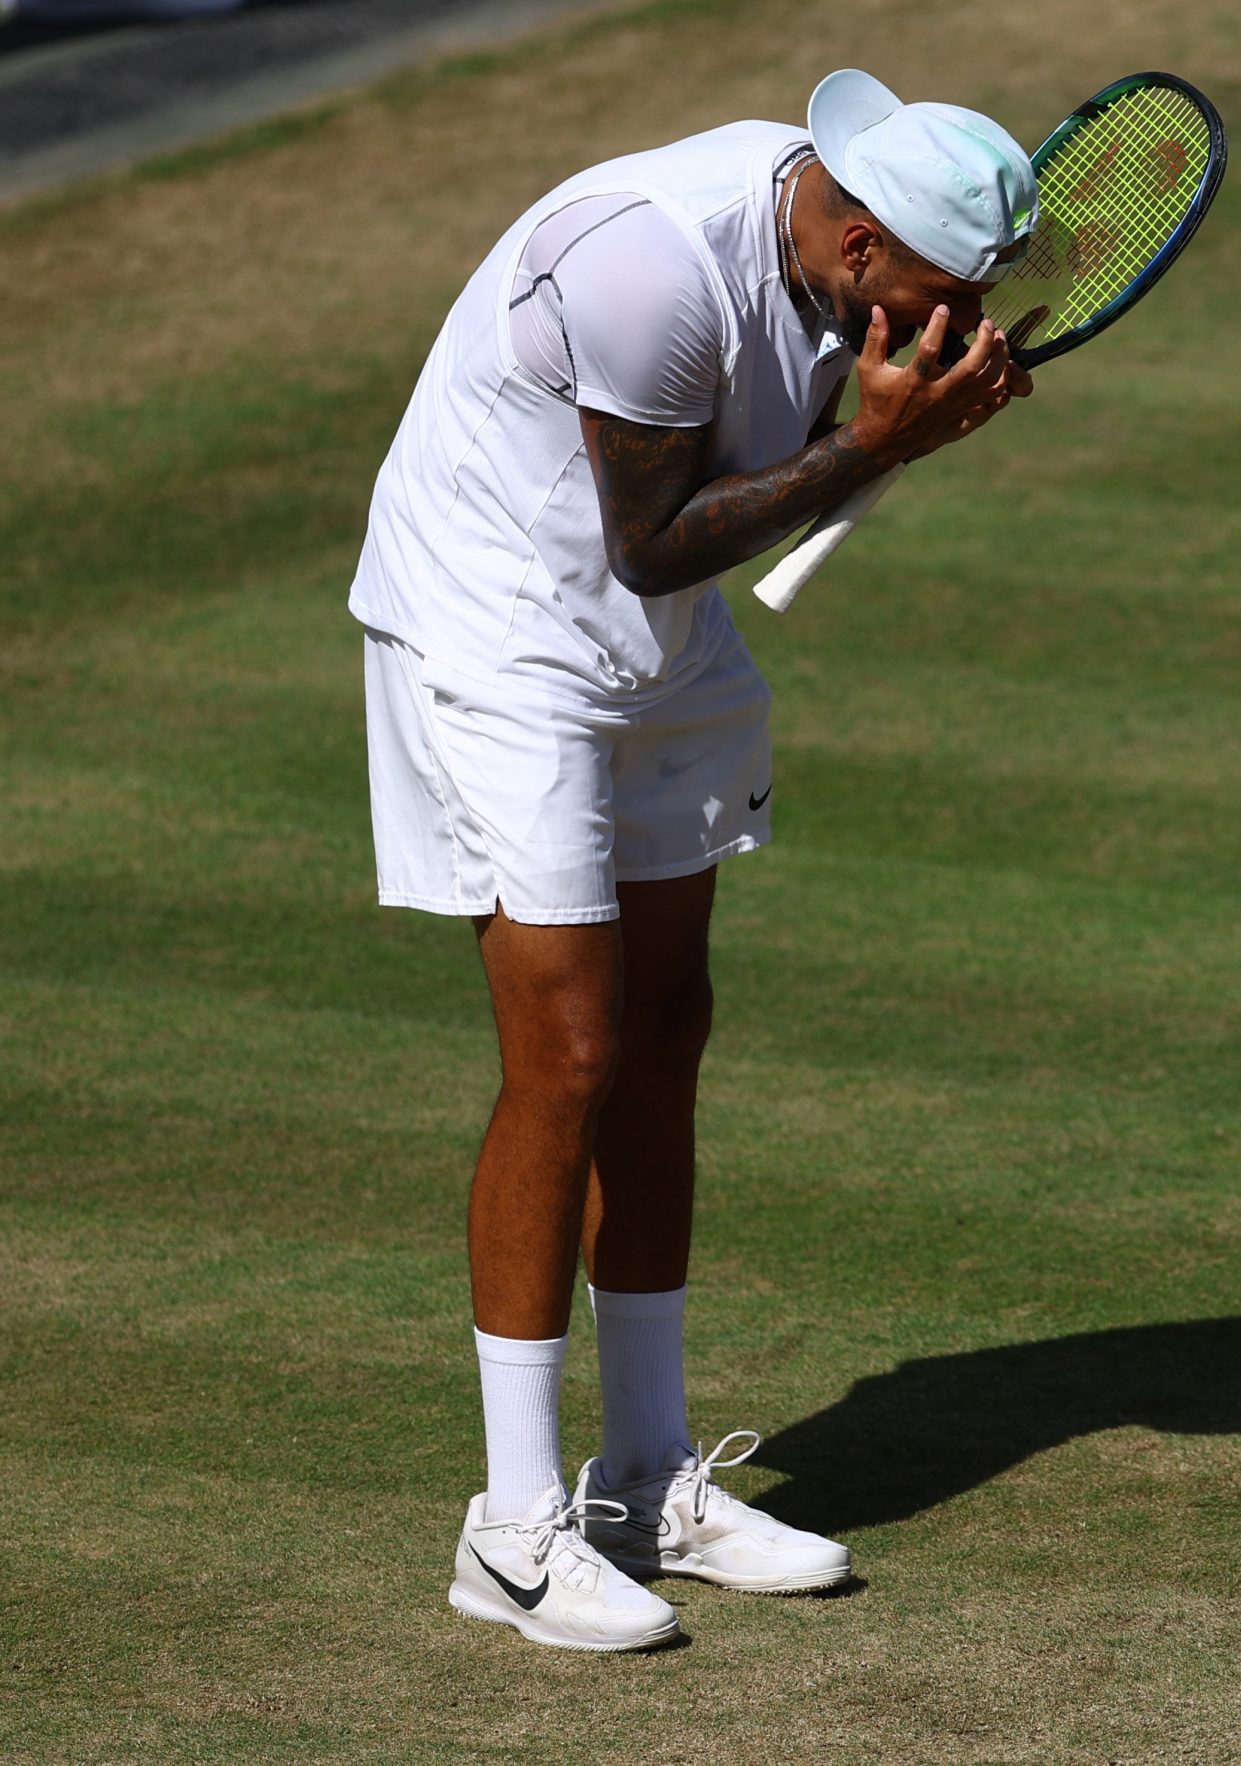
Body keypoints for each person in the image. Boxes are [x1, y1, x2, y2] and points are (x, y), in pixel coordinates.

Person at [348, 68, 1037, 1652]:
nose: (959, 320)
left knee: (665, 1033)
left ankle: (645, 1475)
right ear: (857, 244)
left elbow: (685, 550)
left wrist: (893, 425)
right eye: (939, 293)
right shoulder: (649, 270)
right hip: (500, 630)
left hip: (658, 640)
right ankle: (511, 1531)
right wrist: (876, 447)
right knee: (571, 1053)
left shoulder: (842, 255)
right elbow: (649, 539)